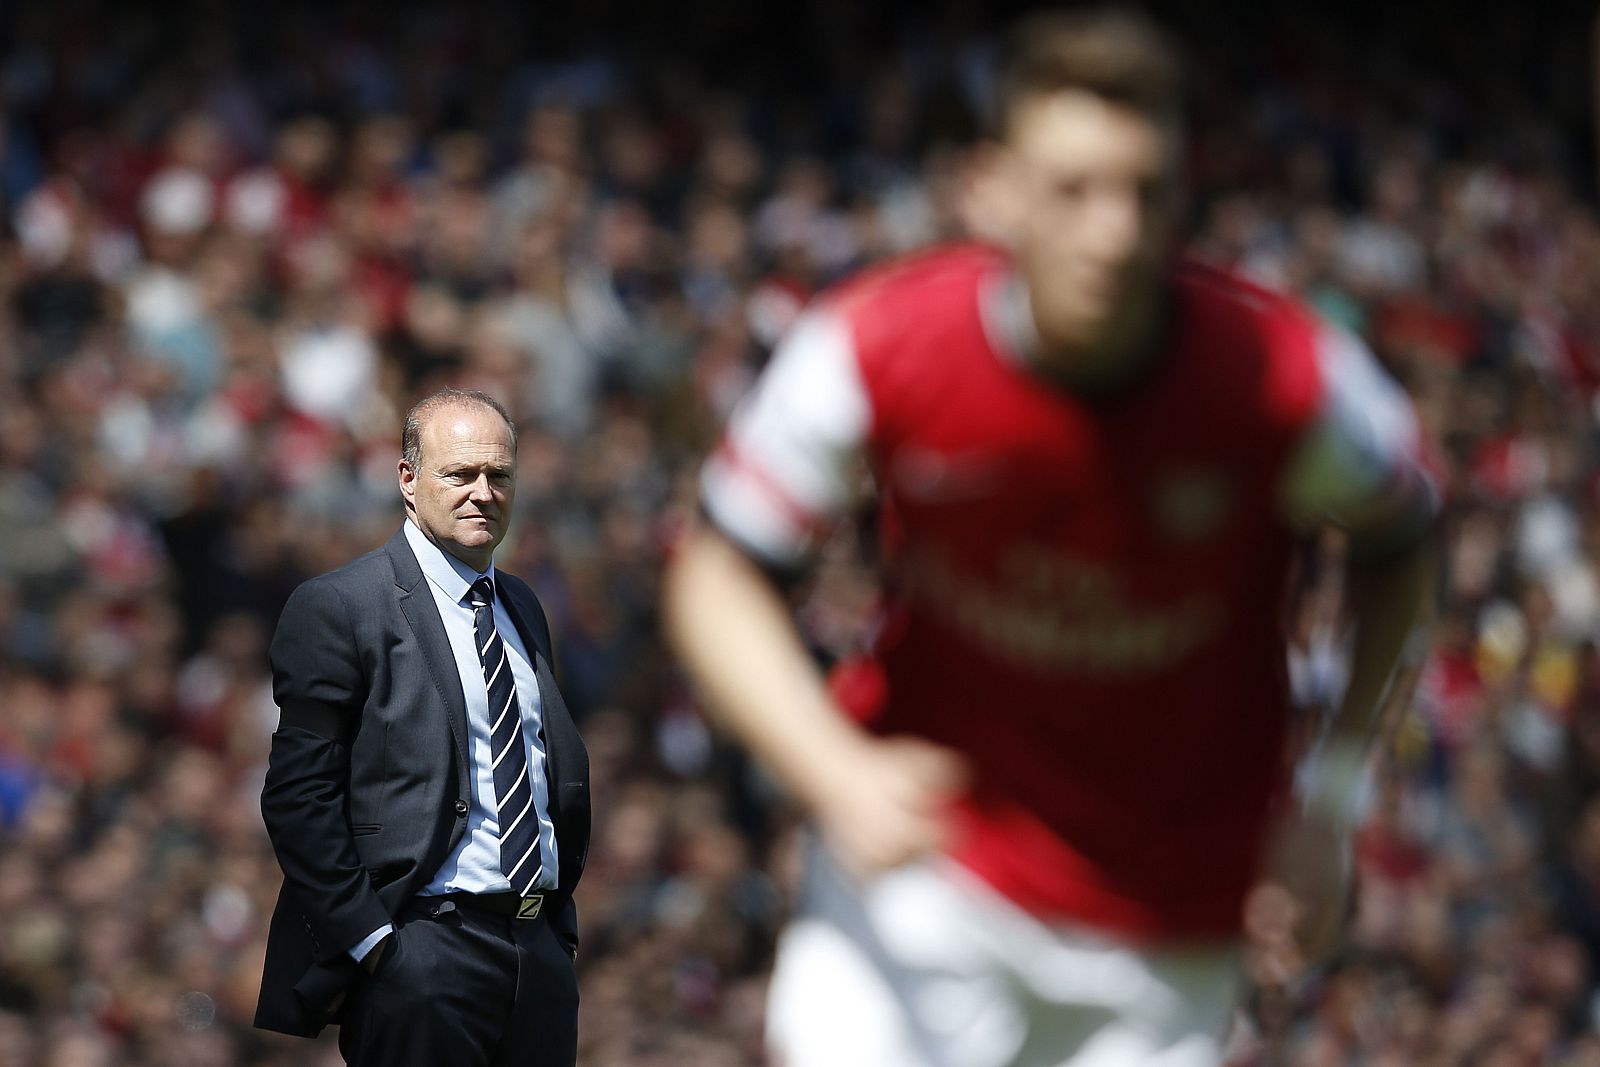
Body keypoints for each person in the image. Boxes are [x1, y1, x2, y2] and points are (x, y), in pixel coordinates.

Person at [662, 9, 1438, 1067]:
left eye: (1144, 190)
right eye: (1073, 189)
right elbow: (718, 572)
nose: (1112, 231)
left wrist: (1330, 798)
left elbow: (1403, 541)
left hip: (1171, 916)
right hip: (936, 869)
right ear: (991, 189)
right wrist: (828, 765)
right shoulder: (875, 347)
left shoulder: (1285, 382)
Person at [256, 388, 590, 1067]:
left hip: (536, 956)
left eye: (498, 474)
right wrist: (377, 943)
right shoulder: (341, 606)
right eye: (459, 473)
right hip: (424, 951)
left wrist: (556, 936)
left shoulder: (522, 603)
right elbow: (298, 797)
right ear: (408, 480)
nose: (482, 492)